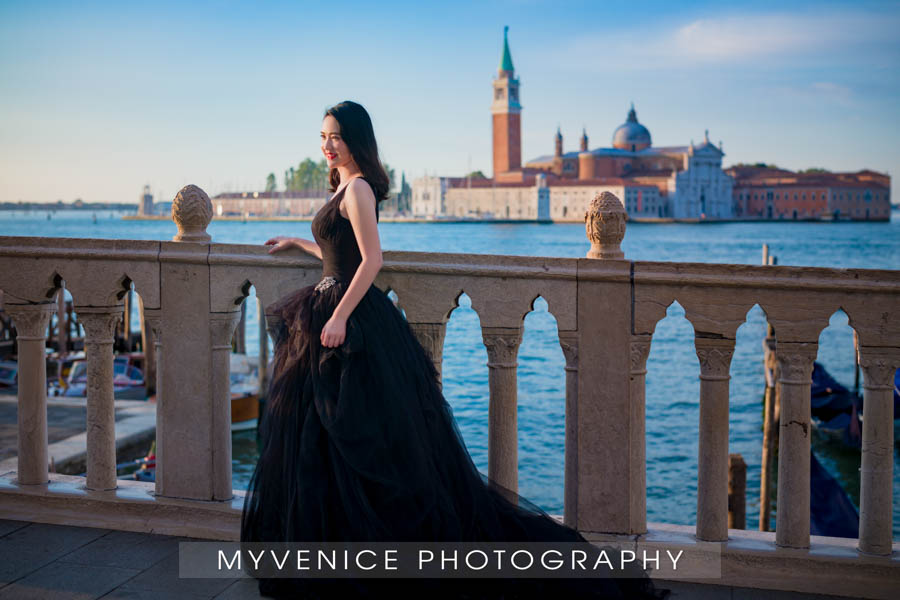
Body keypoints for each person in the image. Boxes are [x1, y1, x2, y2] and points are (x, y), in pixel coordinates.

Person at [240, 100, 668, 599]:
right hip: (331, 307)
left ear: (356, 139)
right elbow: (343, 253)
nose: (327, 145)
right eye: (322, 136)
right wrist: (300, 243)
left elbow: (372, 260)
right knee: (329, 443)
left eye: (335, 136)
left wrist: (337, 317)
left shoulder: (356, 188)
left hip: (346, 321)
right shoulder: (343, 187)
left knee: (360, 445)